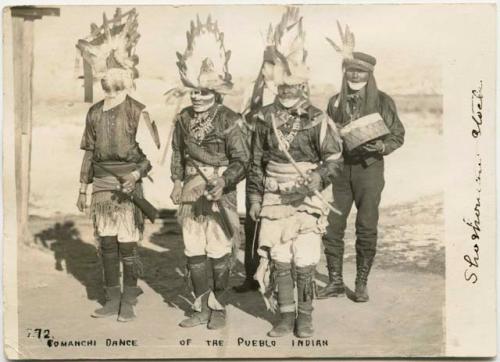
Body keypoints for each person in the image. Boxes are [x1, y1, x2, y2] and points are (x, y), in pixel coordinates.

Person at [247, 7, 343, 338]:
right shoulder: (263, 117)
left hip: (307, 197)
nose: (288, 91)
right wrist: (255, 199)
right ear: (276, 84)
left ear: (303, 84)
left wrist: (317, 177)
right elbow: (256, 159)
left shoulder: (318, 118)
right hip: (274, 194)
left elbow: (333, 157)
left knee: (305, 257)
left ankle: (306, 317)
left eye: (294, 85)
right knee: (280, 257)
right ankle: (285, 317)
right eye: (283, 86)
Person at [169, 16, 249, 330]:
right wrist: (176, 180)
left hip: (220, 191)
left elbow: (242, 161)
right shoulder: (183, 118)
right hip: (190, 191)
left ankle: (219, 308)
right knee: (193, 249)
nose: (198, 97)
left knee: (218, 249)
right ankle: (200, 307)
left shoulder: (230, 119)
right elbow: (177, 151)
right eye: (193, 92)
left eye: (204, 92)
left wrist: (224, 181)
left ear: (215, 93)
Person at [318, 24, 405, 302]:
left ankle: (361, 282)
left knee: (366, 225)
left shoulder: (382, 101)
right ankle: (334, 281)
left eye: (361, 71)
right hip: (340, 170)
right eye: (351, 70)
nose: (355, 74)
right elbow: (325, 136)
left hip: (370, 169)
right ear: (345, 72)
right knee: (332, 225)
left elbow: (398, 135)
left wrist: (381, 145)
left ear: (370, 74)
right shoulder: (334, 102)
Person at [76, 66, 152, 322]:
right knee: (107, 243)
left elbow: (147, 159)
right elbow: (89, 152)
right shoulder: (94, 112)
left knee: (127, 245)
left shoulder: (138, 111)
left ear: (125, 85)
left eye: (114, 86)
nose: (109, 89)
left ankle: (128, 300)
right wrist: (82, 189)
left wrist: (134, 176)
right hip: (101, 189)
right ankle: (112, 300)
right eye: (106, 85)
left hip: (127, 187)